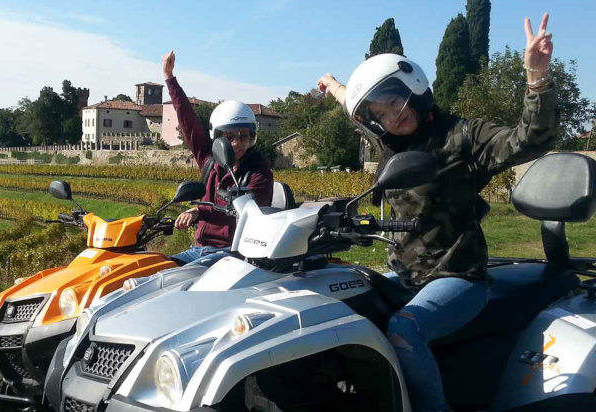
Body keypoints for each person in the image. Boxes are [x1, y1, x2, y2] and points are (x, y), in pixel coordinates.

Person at [317, 13, 557, 412]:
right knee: (346, 305)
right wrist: (334, 85)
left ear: (412, 88)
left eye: (393, 102)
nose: (391, 116)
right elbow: (353, 108)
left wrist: (537, 76)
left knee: (404, 330)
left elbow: (529, 139)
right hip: (406, 276)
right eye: (380, 114)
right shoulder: (391, 144)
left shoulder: (461, 135)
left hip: (458, 277)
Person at [162, 50, 274, 266]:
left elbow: (248, 216)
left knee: (177, 278)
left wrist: (199, 211)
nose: (237, 143)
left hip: (233, 253)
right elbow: (188, 122)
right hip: (199, 249)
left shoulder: (258, 173)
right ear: (218, 138)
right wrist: (169, 77)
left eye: (244, 136)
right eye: (230, 137)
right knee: (158, 268)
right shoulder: (210, 160)